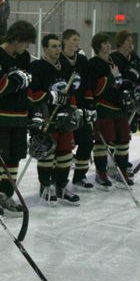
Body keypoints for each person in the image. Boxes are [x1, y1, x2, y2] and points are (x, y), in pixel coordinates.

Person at [0, 20, 36, 216]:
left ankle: (6, 194)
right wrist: (15, 82)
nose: (27, 47)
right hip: (0, 116)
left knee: (14, 158)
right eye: (25, 42)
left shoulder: (24, 57)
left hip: (19, 117)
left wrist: (33, 112)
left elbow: (26, 86)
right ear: (16, 38)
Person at [29, 34, 81, 205]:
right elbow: (32, 92)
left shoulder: (65, 66)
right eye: (53, 46)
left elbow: (71, 92)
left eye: (59, 46)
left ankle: (61, 186)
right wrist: (48, 98)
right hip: (46, 116)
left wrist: (73, 110)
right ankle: (45, 185)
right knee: (47, 153)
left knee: (65, 153)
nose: (58, 49)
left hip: (63, 117)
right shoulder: (37, 66)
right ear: (45, 49)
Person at [87, 33, 128, 189]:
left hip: (119, 107)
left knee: (124, 140)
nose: (108, 45)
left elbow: (121, 81)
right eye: (104, 43)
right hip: (103, 107)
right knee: (103, 141)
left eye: (109, 42)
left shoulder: (114, 61)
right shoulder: (94, 64)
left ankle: (122, 170)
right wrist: (111, 77)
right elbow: (96, 89)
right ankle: (101, 172)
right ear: (98, 46)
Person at [60, 29, 96, 190]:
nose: (76, 43)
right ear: (65, 40)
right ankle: (59, 179)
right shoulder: (58, 59)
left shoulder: (82, 60)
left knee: (87, 141)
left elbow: (87, 83)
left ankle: (80, 176)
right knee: (65, 146)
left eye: (78, 40)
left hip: (81, 108)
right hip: (63, 108)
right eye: (73, 39)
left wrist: (89, 105)